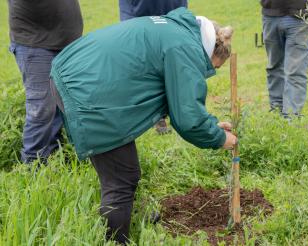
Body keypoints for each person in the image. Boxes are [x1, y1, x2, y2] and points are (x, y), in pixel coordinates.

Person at [50, 7, 236, 244]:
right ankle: (115, 240)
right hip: (88, 92)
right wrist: (219, 138)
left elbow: (172, 92)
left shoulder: (177, 30)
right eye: (212, 68)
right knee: (122, 179)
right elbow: (188, 118)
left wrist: (211, 125)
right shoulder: (186, 49)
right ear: (209, 52)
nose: (208, 73)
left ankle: (126, 216)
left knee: (123, 171)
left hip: (75, 71)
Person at [7, 0, 83, 163]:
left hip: (69, 40)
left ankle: (56, 155)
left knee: (63, 104)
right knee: (42, 109)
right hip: (34, 41)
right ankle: (31, 165)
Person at [119, 0, 188, 134]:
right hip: (138, 9)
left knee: (172, 56)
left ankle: (173, 112)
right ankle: (153, 113)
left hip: (171, 9)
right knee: (142, 58)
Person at [261, 0, 308, 117]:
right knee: (274, 67)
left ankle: (291, 119)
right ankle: (276, 113)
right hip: (271, 13)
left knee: (295, 71)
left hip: (301, 14)